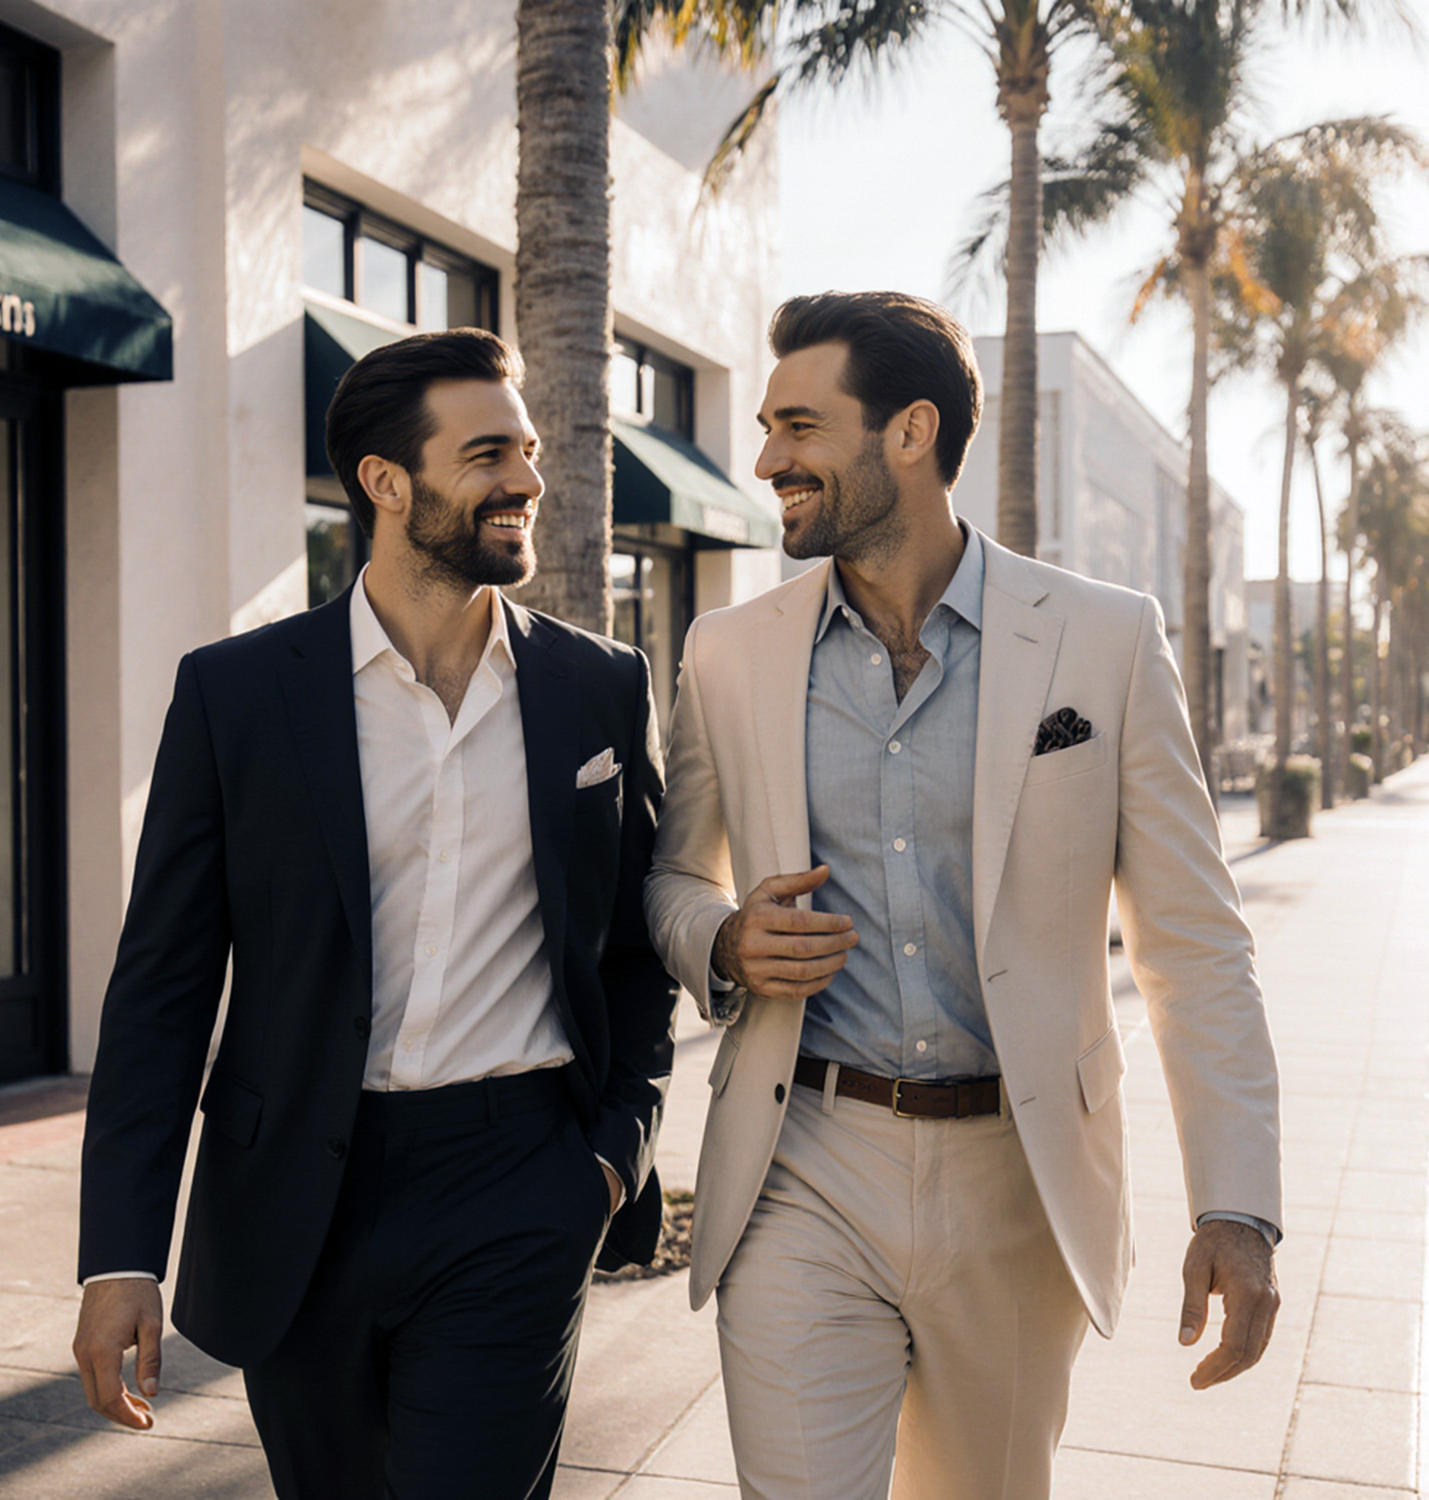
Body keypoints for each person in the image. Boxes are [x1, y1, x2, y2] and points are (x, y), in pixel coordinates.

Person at [644, 291, 1282, 1499]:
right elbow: (675, 873)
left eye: (798, 423)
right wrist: (723, 937)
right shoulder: (728, 654)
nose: (768, 455)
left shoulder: (1101, 640)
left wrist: (1237, 1206)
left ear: (911, 432)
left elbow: (1195, 945)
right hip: (802, 1165)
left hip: (1019, 1178)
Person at [73, 328, 676, 1500]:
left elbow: (634, 950)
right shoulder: (238, 695)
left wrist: (606, 1161)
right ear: (386, 482)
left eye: (533, 450)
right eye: (490, 452)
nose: (529, 481)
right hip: (301, 1189)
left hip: (520, 1183)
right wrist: (119, 1256)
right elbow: (160, 989)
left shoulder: (601, 686)